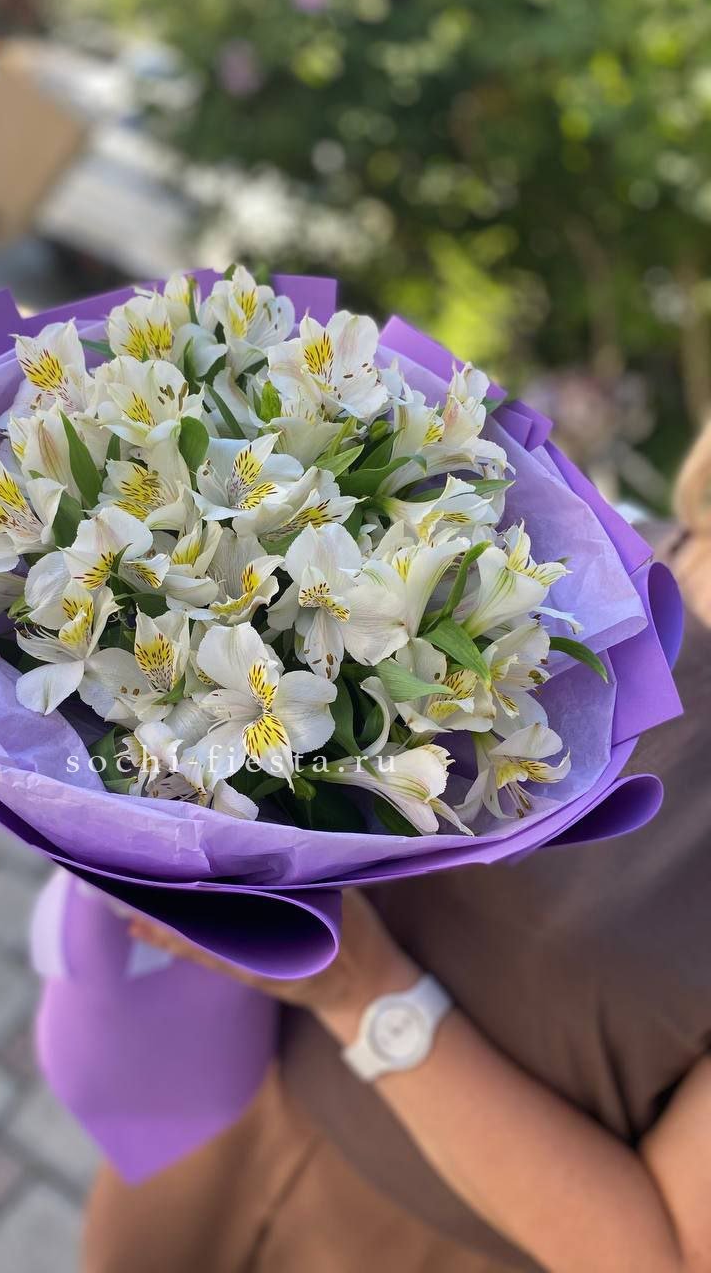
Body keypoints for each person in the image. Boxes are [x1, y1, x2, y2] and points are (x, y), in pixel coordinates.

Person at [82, 423, 711, 1273]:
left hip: (427, 1240)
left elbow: (669, 1256)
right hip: (226, 1098)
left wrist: (364, 991)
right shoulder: (584, 541)